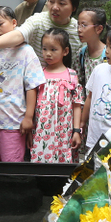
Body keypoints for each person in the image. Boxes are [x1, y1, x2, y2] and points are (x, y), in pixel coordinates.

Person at [0, 6, 45, 162]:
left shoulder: (26, 52)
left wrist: (28, 117)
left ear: (14, 23)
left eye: (0, 24)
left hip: (13, 121)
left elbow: (32, 86)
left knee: (11, 164)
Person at [31, 28, 84, 163]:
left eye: (53, 50)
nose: (48, 54)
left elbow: (77, 105)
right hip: (42, 130)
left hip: (65, 131)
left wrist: (77, 130)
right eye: (44, 49)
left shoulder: (71, 75)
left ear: (65, 51)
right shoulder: (38, 75)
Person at [76, 7, 108, 88]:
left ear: (98, 29)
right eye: (78, 25)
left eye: (84, 25)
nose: (79, 29)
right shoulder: (81, 54)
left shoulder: (108, 54)